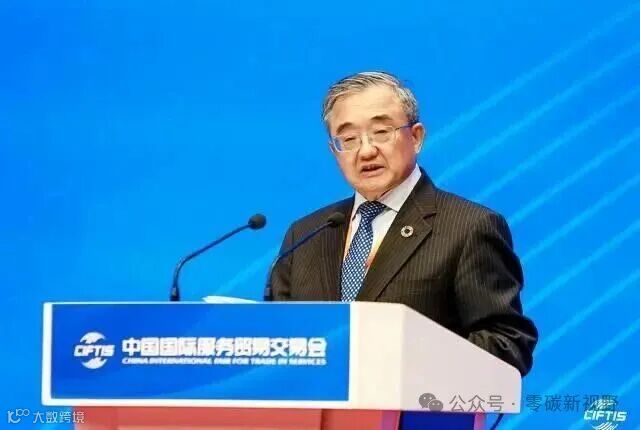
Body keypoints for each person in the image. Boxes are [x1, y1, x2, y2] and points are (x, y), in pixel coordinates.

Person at [270, 71, 538, 376]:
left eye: (381, 132)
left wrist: (404, 359)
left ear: (416, 137)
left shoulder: (469, 227)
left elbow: (507, 344)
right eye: (349, 139)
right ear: (334, 151)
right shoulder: (305, 235)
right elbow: (274, 342)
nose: (366, 150)